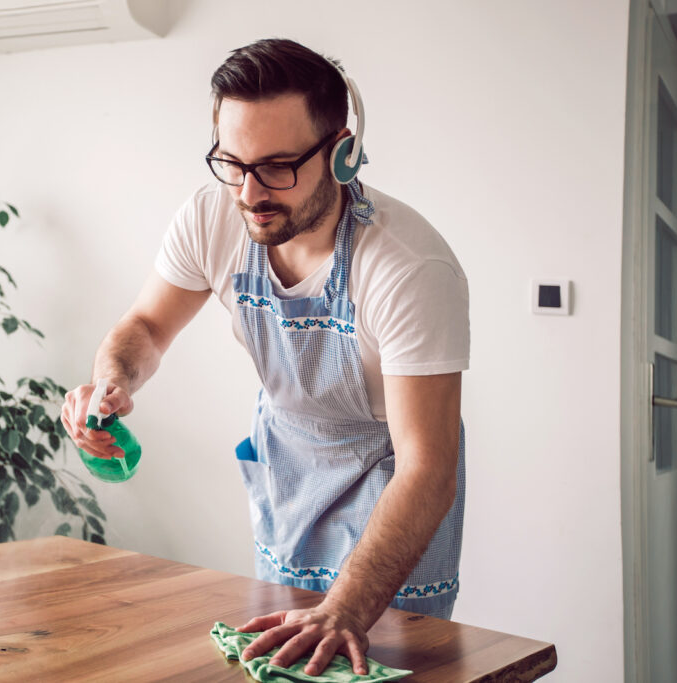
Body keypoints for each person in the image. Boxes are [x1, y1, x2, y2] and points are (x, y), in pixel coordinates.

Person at [61, 38, 468, 677]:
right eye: (232, 162)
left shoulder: (409, 269)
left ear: (342, 151)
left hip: (391, 490)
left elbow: (428, 469)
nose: (250, 193)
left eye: (278, 166)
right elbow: (145, 324)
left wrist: (348, 610)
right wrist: (112, 382)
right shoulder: (213, 216)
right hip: (287, 472)